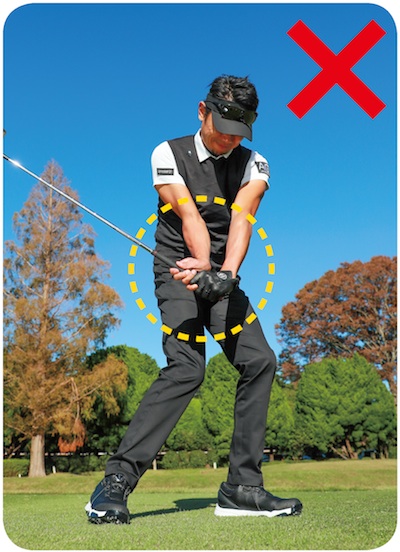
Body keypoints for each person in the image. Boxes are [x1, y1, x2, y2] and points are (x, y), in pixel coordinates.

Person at [85, 75, 302, 523]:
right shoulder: (167, 153)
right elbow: (188, 214)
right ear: (202, 111)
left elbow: (242, 219)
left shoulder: (255, 163)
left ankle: (242, 488)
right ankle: (115, 481)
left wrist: (226, 274)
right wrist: (201, 262)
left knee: (260, 360)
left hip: (221, 275)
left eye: (239, 132)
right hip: (177, 270)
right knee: (188, 367)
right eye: (222, 128)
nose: (229, 140)